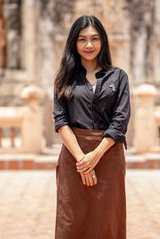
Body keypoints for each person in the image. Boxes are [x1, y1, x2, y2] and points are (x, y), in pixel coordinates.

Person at [53, 15, 131, 239]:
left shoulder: (119, 76)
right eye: (82, 39)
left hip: (108, 157)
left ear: (103, 41)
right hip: (73, 159)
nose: (89, 45)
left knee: (108, 221)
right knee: (72, 221)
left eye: (94, 39)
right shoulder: (63, 79)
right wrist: (82, 161)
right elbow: (61, 121)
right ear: (73, 43)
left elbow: (120, 120)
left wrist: (95, 155)